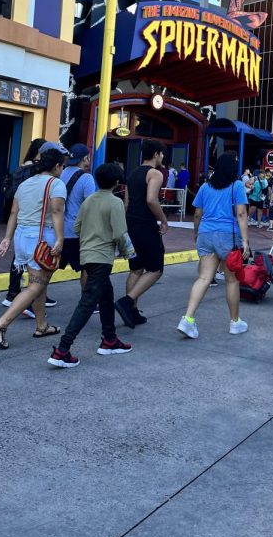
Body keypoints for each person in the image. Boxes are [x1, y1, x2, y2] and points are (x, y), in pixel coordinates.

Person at [48, 164, 136, 368]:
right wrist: (128, 253)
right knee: (88, 303)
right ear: (116, 183)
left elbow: (77, 226)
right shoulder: (115, 203)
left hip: (87, 254)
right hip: (102, 257)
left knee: (106, 297)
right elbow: (120, 234)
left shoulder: (89, 201)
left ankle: (110, 339)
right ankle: (63, 349)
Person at [0, 146, 67, 349]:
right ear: (57, 166)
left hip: (22, 236)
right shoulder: (56, 184)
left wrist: (7, 238)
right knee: (35, 286)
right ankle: (2, 324)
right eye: (62, 166)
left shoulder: (25, 184)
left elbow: (14, 212)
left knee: (39, 283)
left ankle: (42, 325)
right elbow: (57, 211)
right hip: (41, 238)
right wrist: (60, 238)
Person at [177, 153, 250, 338]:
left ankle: (188, 319)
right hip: (227, 236)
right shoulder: (237, 186)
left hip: (206, 234)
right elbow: (241, 214)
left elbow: (197, 214)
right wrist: (245, 241)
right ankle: (235, 322)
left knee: (203, 278)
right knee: (232, 280)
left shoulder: (205, 187)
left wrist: (196, 233)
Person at [1, 138, 58, 316]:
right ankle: (7, 318)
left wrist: (7, 238)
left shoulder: (20, 169)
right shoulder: (38, 173)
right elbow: (55, 210)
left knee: (20, 260)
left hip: (21, 222)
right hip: (36, 223)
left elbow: (13, 207)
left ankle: (14, 293)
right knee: (37, 274)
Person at [115, 140, 168, 329]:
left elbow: (126, 202)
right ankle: (128, 301)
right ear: (156, 154)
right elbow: (151, 200)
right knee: (156, 268)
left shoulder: (133, 172)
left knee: (136, 268)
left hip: (131, 223)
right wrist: (163, 219)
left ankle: (132, 312)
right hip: (146, 224)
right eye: (162, 154)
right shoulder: (155, 174)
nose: (163, 157)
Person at [60, 143, 97, 291]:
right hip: (77, 231)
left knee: (49, 268)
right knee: (87, 268)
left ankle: (34, 297)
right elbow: (90, 207)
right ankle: (87, 301)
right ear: (85, 158)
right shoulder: (87, 178)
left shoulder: (60, 173)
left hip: (58, 229)